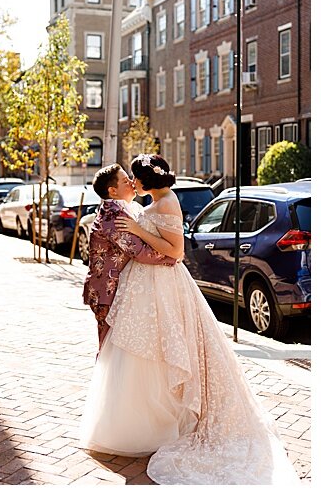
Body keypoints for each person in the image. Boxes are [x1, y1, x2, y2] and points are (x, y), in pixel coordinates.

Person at [80, 154, 298, 484]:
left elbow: (176, 251)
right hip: (144, 286)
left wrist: (139, 229)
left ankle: (165, 423)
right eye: (128, 180)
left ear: (146, 181)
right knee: (140, 354)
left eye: (134, 179)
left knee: (166, 350)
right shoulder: (148, 203)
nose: (132, 184)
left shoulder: (165, 202)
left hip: (165, 284)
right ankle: (142, 425)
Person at [81, 164, 178, 352]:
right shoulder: (112, 216)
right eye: (126, 181)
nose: (133, 184)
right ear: (113, 190)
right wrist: (171, 256)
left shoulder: (126, 208)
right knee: (109, 352)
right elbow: (138, 250)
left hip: (116, 290)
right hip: (106, 293)